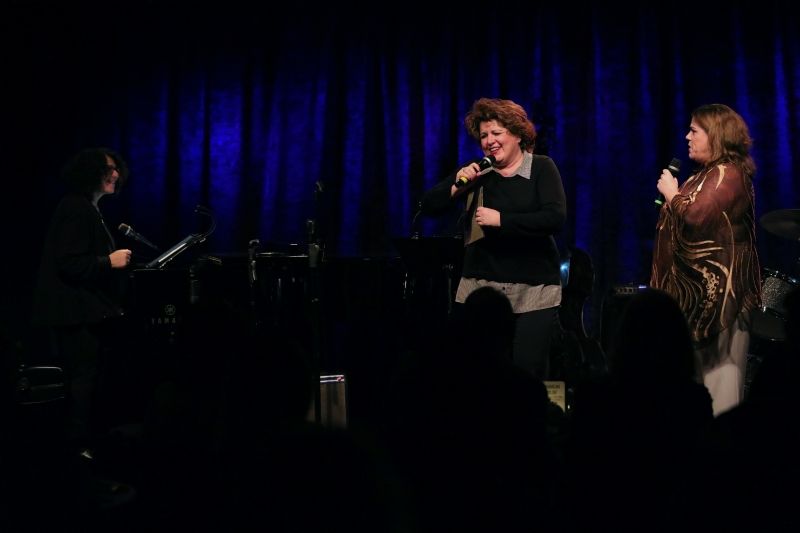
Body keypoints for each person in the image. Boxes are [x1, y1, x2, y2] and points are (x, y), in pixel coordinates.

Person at [421, 97, 567, 379]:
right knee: (478, 373)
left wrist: (502, 220)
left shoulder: (541, 168)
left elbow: (554, 218)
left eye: (497, 133)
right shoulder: (480, 171)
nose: (489, 141)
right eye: (484, 135)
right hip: (482, 289)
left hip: (534, 291)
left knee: (526, 371)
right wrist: (455, 186)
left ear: (518, 135)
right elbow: (428, 206)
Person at [651, 103, 761, 416]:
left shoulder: (730, 174)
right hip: (695, 302)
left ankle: (722, 459)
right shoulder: (703, 176)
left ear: (715, 135)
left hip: (720, 303)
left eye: (694, 131)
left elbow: (697, 217)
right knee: (694, 393)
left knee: (721, 391)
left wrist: (672, 195)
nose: (687, 137)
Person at [31, 147, 133, 459]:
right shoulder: (76, 207)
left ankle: (82, 445)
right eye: (108, 169)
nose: (115, 174)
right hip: (74, 315)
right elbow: (70, 263)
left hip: (82, 313)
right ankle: (77, 450)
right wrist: (109, 262)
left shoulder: (86, 208)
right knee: (81, 381)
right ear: (90, 172)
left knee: (87, 379)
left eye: (116, 169)